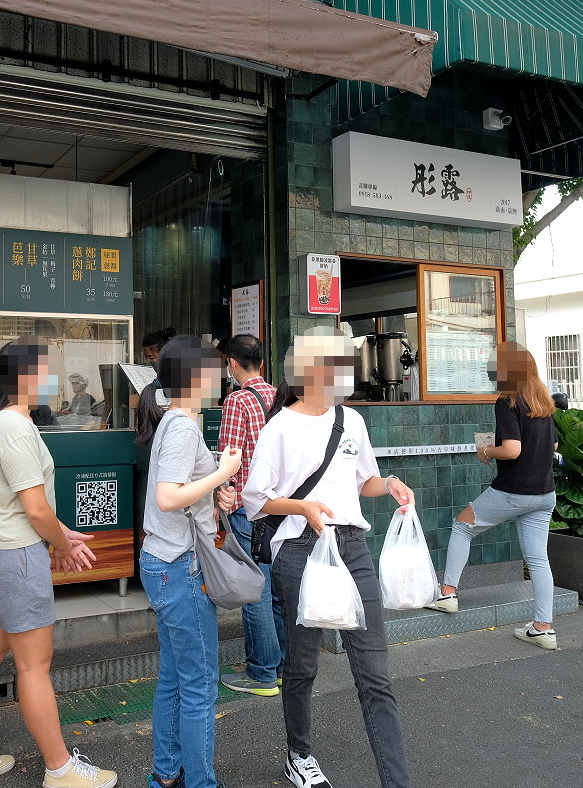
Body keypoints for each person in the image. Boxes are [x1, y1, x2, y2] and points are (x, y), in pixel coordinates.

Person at [243, 330, 417, 788]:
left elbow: (365, 482)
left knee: (375, 674)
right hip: (299, 549)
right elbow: (255, 500)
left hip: (351, 546)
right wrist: (302, 508)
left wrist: (391, 484)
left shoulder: (351, 421)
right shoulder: (278, 426)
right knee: (302, 664)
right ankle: (299, 753)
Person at [0, 339, 116, 788]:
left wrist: (62, 534)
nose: (55, 377)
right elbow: (36, 510)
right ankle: (60, 769)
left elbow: (28, 504)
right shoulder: (16, 427)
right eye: (48, 369)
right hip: (14, 557)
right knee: (33, 667)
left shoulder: (5, 421)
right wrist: (60, 543)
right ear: (25, 376)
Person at [136, 336, 242, 788]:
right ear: (195, 377)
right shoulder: (181, 425)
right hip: (180, 565)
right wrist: (224, 472)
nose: (219, 375)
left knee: (175, 678)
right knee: (199, 684)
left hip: (162, 560)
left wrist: (215, 491)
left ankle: (167, 773)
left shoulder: (174, 421)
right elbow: (167, 496)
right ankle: (200, 782)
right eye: (212, 368)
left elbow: (178, 490)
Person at [427, 342, 560, 650]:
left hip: (514, 491)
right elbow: (551, 447)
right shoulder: (543, 402)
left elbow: (513, 449)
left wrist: (486, 450)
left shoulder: (508, 401)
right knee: (538, 558)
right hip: (544, 493)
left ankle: (447, 594)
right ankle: (543, 628)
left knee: (462, 526)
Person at [214, 334, 283, 696]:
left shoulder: (237, 400)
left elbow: (231, 457)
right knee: (274, 589)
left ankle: (262, 673)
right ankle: (280, 663)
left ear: (232, 363)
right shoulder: (280, 397)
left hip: (247, 508)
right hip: (280, 507)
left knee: (254, 589)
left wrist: (220, 493)